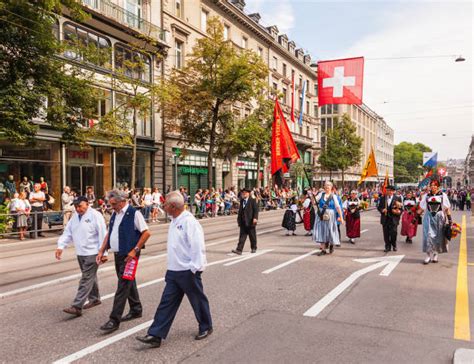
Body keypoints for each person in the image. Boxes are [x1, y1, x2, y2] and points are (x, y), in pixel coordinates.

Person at [136, 191, 212, 348]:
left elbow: (197, 246)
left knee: (197, 300)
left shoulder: (189, 222)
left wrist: (195, 267)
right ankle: (156, 334)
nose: (163, 206)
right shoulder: (174, 219)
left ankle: (206, 326)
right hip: (174, 270)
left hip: (187, 270)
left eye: (165, 205)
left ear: (172, 206)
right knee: (167, 302)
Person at [96, 189, 151, 333]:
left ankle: (114, 320)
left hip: (130, 256)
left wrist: (135, 250)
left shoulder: (134, 213)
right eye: (110, 204)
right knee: (128, 281)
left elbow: (146, 233)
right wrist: (102, 250)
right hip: (118, 254)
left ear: (122, 201)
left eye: (114, 204)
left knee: (123, 285)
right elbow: (110, 233)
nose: (111, 206)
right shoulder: (115, 214)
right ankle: (136, 309)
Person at [55, 196, 107, 316]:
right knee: (90, 277)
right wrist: (60, 246)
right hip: (81, 252)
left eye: (80, 206)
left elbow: (103, 234)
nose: (78, 209)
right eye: (76, 206)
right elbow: (68, 232)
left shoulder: (95, 215)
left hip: (93, 252)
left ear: (87, 204)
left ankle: (77, 306)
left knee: (85, 278)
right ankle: (94, 299)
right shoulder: (74, 217)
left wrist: (103, 252)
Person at [417, 180, 451, 264]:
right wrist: (415, 217)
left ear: (438, 186)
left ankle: (435, 254)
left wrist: (450, 219)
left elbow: (446, 208)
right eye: (431, 185)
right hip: (428, 218)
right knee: (428, 236)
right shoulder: (426, 196)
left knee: (438, 236)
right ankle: (428, 256)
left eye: (435, 185)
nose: (433, 187)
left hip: (439, 218)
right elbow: (422, 208)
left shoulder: (443, 196)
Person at [313, 181, 344, 256]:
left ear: (331, 187)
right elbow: (314, 202)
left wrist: (341, 217)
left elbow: (338, 207)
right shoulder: (321, 194)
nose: (327, 187)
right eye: (325, 186)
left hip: (330, 216)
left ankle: (331, 244)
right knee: (321, 231)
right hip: (321, 215)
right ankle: (323, 249)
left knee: (330, 231)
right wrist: (313, 196)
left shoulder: (334, 196)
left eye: (328, 186)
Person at [232, 188, 259, 255]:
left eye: (245, 193)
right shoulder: (242, 201)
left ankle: (254, 248)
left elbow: (256, 210)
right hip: (243, 221)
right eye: (243, 193)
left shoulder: (252, 200)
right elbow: (240, 211)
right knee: (242, 237)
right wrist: (239, 220)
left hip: (250, 221)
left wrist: (255, 218)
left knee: (252, 236)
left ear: (248, 193)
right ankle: (239, 250)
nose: (244, 194)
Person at [377, 185, 403, 252]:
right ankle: (387, 246)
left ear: (393, 191)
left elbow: (401, 209)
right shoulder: (383, 198)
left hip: (394, 219)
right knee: (386, 234)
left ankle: (394, 245)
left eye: (391, 190)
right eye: (388, 190)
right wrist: (382, 210)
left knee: (393, 233)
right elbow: (379, 207)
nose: (389, 192)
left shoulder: (398, 198)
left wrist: (398, 212)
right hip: (385, 219)